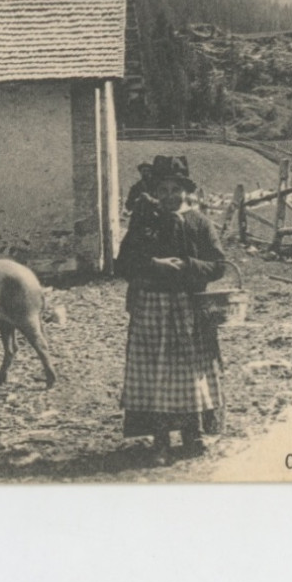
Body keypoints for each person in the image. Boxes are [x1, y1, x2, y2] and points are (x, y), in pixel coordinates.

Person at [114, 155, 228, 464]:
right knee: (156, 374)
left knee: (190, 373)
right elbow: (122, 263)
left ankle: (193, 434)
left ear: (186, 192)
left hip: (190, 308)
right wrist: (154, 264)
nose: (168, 196)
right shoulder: (145, 222)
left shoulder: (200, 223)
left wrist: (190, 265)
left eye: (174, 190)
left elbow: (219, 266)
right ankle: (160, 440)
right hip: (151, 306)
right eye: (161, 190)